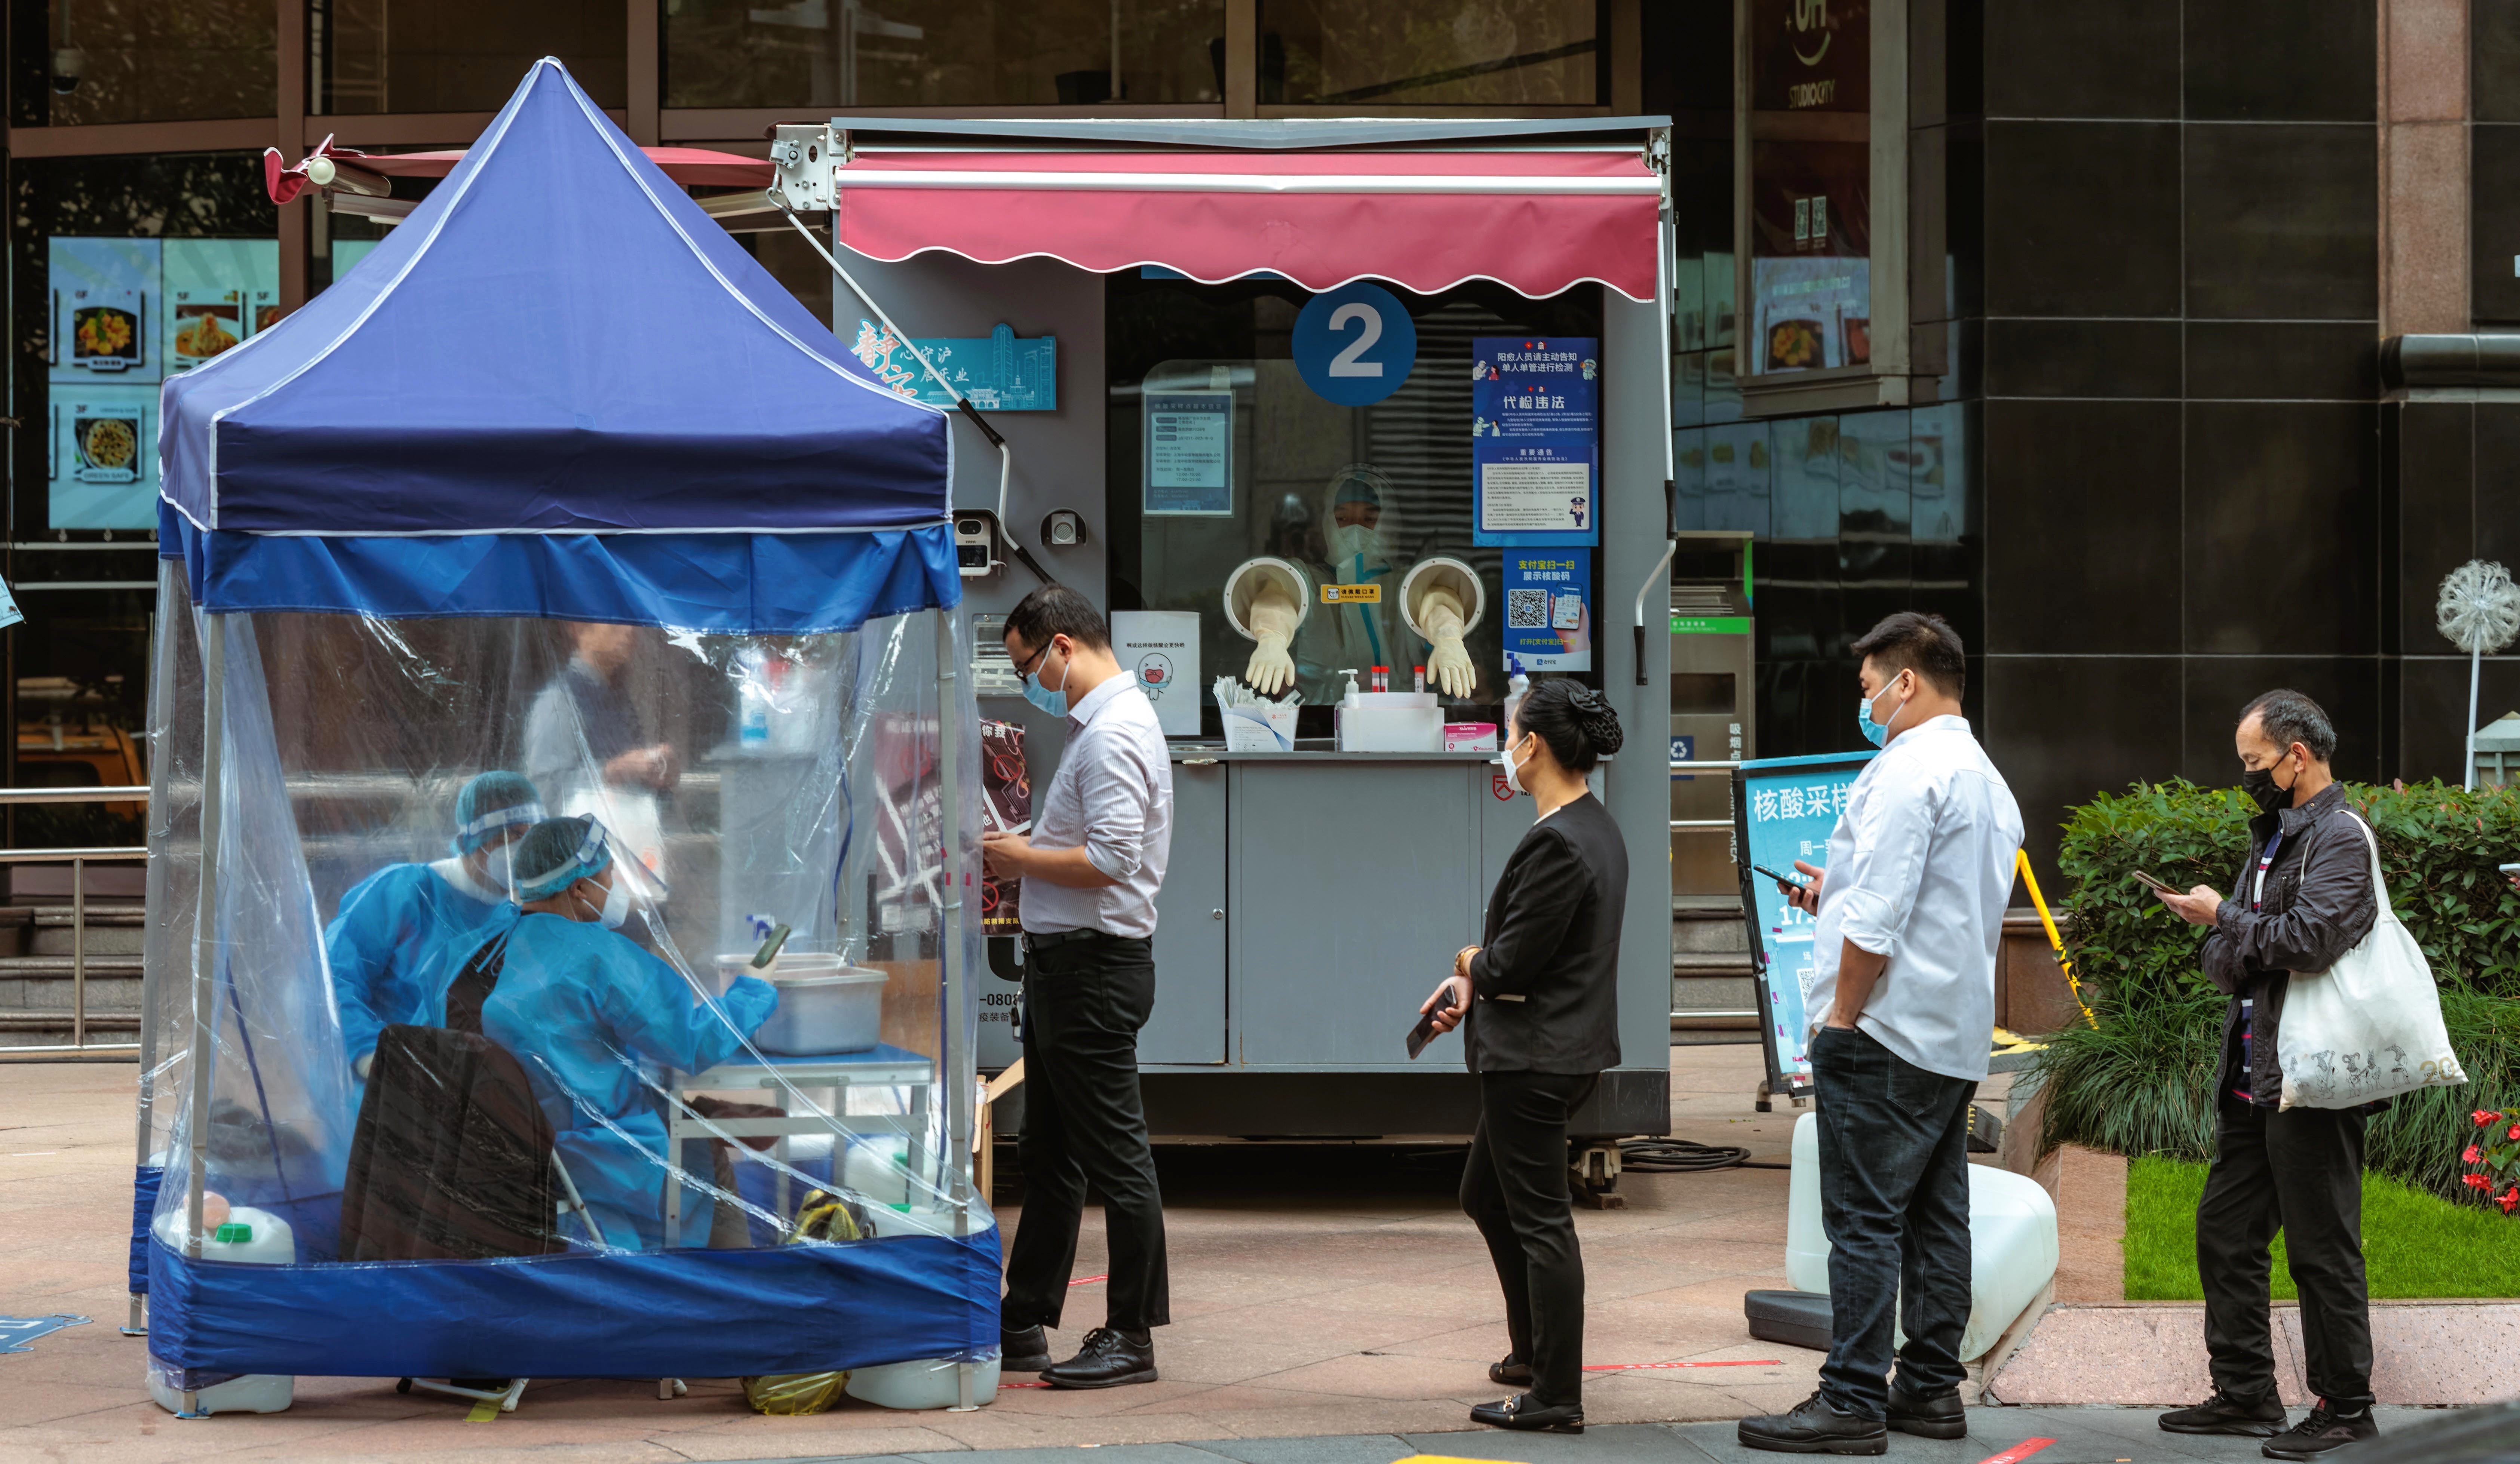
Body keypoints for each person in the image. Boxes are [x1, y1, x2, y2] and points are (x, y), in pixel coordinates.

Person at [1738, 612, 2022, 1456]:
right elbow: (1927, 902)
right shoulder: (1982, 776)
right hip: (1948, 1032)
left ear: (1906, 682)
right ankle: (1928, 1387)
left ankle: (1850, 1398)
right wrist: (1837, 894)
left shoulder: (1906, 773)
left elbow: (1877, 917)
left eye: (1868, 687)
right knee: (1936, 1215)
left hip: (1882, 1031)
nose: (1862, 703)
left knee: (1861, 1220)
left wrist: (1838, 1017)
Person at [2148, 691, 2381, 1459]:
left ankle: (2346, 1404)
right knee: (2226, 1230)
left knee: (2321, 1245)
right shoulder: (2273, 839)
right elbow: (2229, 960)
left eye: (2255, 762)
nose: (2247, 774)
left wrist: (2227, 921)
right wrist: (2234, 932)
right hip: (2254, 1076)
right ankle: (2246, 1393)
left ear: (2298, 755)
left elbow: (2311, 938)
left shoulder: (2340, 836)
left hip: (2312, 1079)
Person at [981, 584, 1175, 1389]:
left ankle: (1130, 1331)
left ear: (1063, 646)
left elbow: (1113, 857)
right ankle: (1023, 1316)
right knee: (1051, 1152)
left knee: (1116, 1158)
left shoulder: (1114, 734)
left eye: (1028, 663)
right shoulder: (1097, 725)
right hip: (1069, 968)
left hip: (1094, 970)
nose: (1029, 678)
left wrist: (1016, 859)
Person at [1421, 679, 1627, 1435]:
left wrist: (1472, 957)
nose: (1507, 746)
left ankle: (1555, 1391)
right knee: (1487, 1193)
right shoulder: (1594, 827)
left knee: (1542, 1222)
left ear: (1533, 745)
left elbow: (1510, 963)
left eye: (1511, 733)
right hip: (1559, 1046)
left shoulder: (1560, 840)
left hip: (1535, 1058)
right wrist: (1478, 979)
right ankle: (1531, 1350)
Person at [436, 814, 777, 1251]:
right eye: (609, 876)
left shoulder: (487, 946)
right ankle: (733, 1283)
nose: (615, 888)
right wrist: (757, 986)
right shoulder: (596, 956)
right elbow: (693, 1041)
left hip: (518, 1154)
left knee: (692, 1113)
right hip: (601, 1159)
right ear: (579, 889)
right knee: (702, 1148)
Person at [324, 771, 543, 1081]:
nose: (523, 849)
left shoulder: (524, 915)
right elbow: (334, 978)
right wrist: (368, 1054)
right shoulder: (404, 893)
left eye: (532, 837)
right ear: (468, 842)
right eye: (510, 836)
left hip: (481, 1086)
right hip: (392, 1081)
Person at [523, 622, 678, 803]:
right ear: (579, 628)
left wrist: (657, 771)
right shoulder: (559, 700)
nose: (630, 630)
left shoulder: (617, 698)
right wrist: (615, 771)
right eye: (615, 621)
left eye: (630, 622)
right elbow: (545, 792)